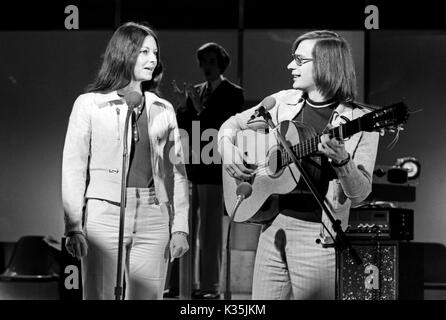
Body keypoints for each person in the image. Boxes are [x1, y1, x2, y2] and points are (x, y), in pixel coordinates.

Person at [218, 30, 379, 299]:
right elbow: (232, 124)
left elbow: (360, 195)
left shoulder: (360, 121)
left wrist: (343, 162)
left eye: (300, 60)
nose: (290, 66)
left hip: (318, 236)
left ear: (326, 64)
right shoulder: (282, 102)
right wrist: (226, 148)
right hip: (272, 226)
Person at [61, 22, 189, 300]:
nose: (152, 59)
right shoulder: (89, 104)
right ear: (124, 52)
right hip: (104, 212)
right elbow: (73, 167)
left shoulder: (163, 108)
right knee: (99, 294)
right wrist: (73, 226)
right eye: (144, 51)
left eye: (155, 52)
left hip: (154, 214)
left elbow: (177, 172)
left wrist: (180, 226)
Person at [167, 42, 244, 299]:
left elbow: (224, 129)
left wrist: (199, 109)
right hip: (192, 168)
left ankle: (209, 288)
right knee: (183, 227)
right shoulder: (195, 91)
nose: (206, 67)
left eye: (211, 61)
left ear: (221, 63)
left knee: (210, 232)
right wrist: (181, 106)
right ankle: (179, 284)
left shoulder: (233, 92)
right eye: (203, 62)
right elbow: (185, 129)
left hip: (213, 170)